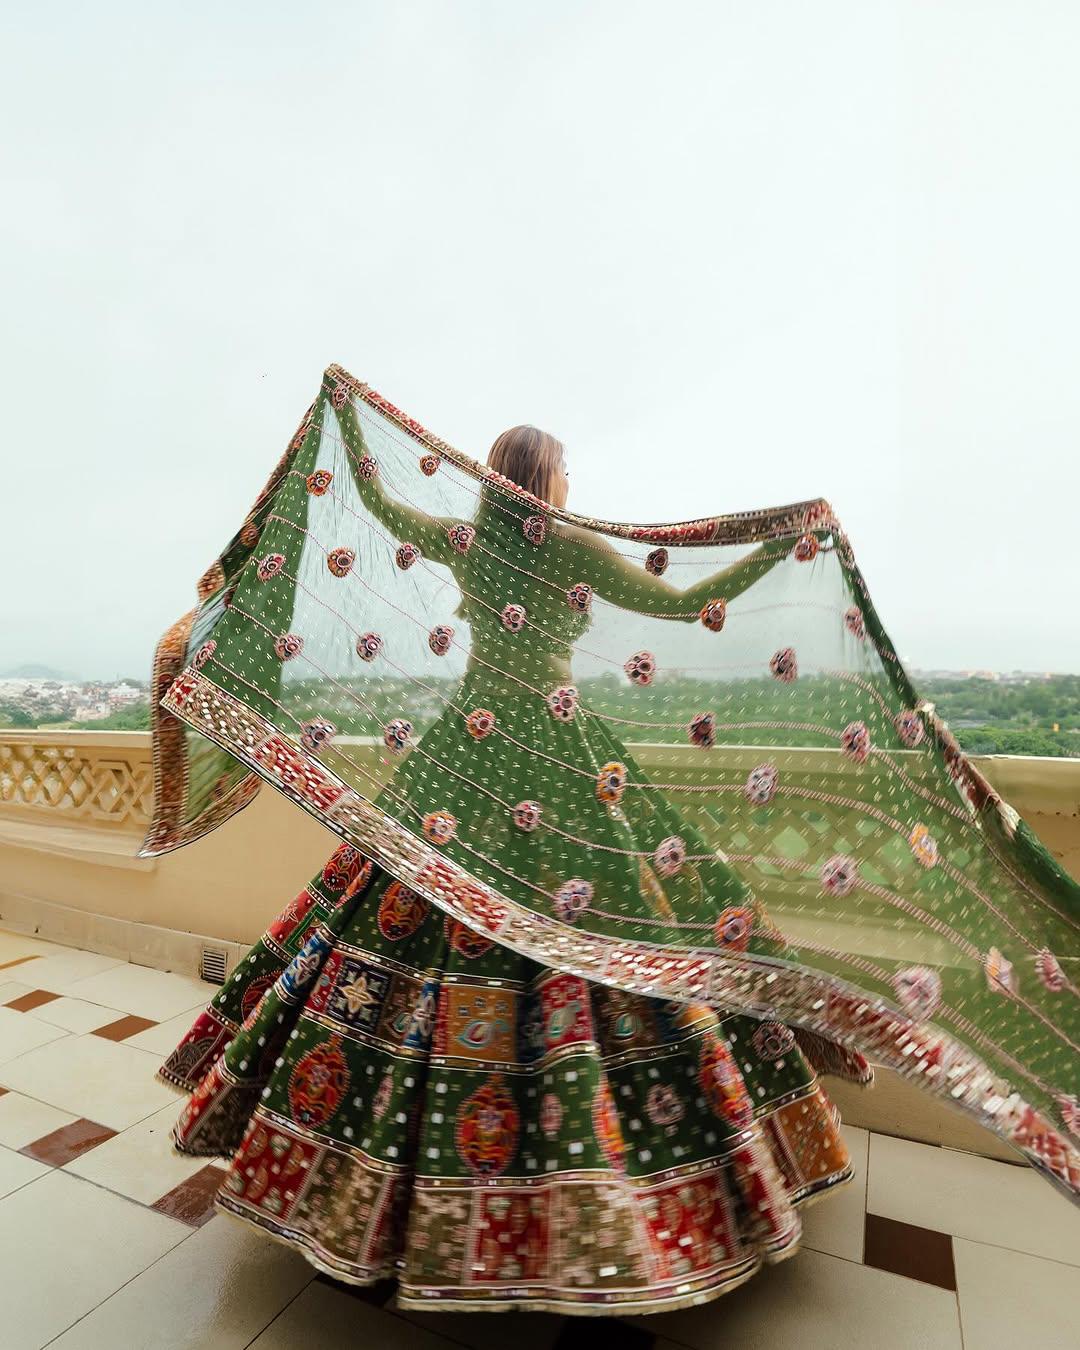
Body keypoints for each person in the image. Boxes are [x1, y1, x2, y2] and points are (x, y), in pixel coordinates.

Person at [159, 414, 861, 1314]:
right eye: (566, 469)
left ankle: (375, 1191)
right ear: (546, 474)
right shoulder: (567, 544)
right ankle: (607, 1198)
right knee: (621, 924)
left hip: (467, 756)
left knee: (400, 922)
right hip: (559, 752)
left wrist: (357, 441)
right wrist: (778, 545)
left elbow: (377, 502)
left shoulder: (467, 536)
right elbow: (683, 599)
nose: (572, 484)